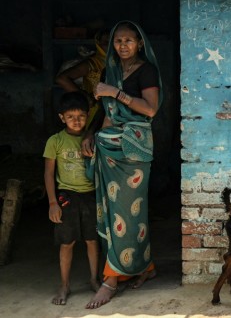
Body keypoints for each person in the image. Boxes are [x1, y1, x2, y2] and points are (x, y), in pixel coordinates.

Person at [82, 21, 162, 309]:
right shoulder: (110, 71)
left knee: (128, 215)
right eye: (118, 41)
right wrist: (90, 134)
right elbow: (105, 111)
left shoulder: (147, 70)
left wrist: (115, 92)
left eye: (129, 40)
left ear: (139, 43)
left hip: (133, 152)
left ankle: (111, 279)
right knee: (113, 213)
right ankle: (145, 267)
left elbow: (150, 108)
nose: (123, 45)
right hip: (109, 148)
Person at [43, 91, 99, 305]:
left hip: (90, 195)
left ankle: (94, 280)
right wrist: (52, 203)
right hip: (66, 196)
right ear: (61, 118)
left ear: (88, 115)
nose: (77, 121)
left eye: (82, 116)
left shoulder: (93, 139)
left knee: (92, 240)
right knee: (67, 242)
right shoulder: (55, 141)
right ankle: (64, 285)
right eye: (70, 116)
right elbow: (48, 173)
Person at [55, 29, 110, 128]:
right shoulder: (93, 63)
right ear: (98, 43)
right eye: (105, 42)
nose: (109, 44)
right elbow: (62, 79)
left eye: (112, 41)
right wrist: (85, 97)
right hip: (96, 110)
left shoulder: (121, 63)